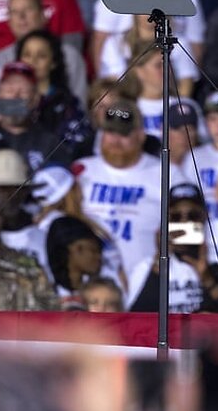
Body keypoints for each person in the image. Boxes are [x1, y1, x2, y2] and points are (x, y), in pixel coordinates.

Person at [76, 100, 181, 278]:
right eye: (109, 132)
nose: (115, 141)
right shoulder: (80, 170)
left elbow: (189, 229)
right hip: (92, 284)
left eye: (123, 134)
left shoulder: (168, 174)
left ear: (141, 135)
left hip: (147, 279)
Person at [127, 183, 218, 313]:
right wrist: (159, 261)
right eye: (176, 217)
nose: (184, 222)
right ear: (165, 221)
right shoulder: (145, 267)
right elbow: (137, 318)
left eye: (192, 216)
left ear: (203, 217)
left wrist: (207, 279)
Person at [0, 0, 88, 103]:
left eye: (28, 9)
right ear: (9, 22)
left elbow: (79, 105)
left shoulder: (69, 56)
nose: (21, 16)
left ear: (43, 16)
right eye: (14, 12)